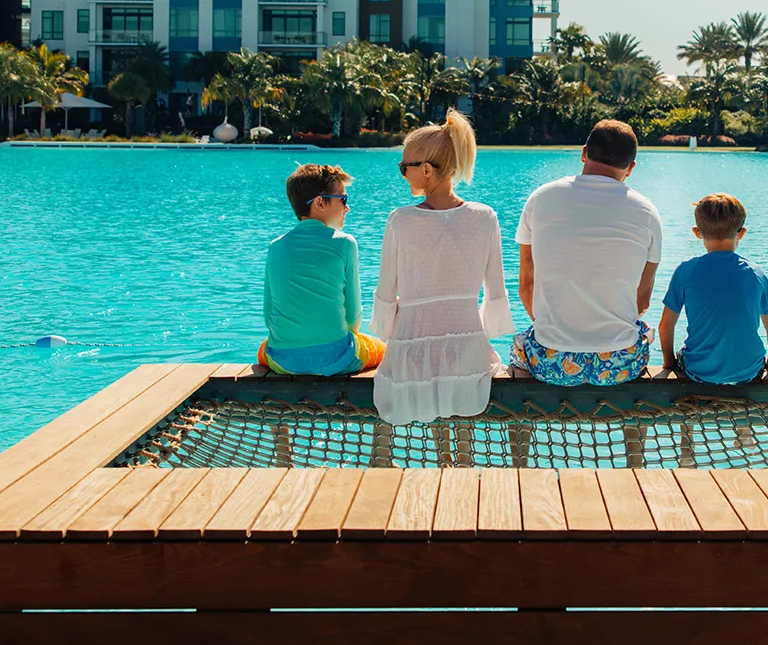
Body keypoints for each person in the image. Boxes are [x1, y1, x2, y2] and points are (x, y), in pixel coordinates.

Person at [370, 109, 512, 424]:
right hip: (467, 345)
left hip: (413, 347)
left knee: (436, 428)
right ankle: (460, 469)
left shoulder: (401, 220)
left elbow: (385, 291)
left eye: (403, 167)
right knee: (462, 425)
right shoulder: (484, 217)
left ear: (426, 169)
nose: (402, 174)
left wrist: (385, 332)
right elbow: (496, 288)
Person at [510, 119, 664, 385]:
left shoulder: (541, 198)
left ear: (584, 153)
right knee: (645, 333)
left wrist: (556, 328)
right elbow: (642, 301)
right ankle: (635, 426)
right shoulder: (647, 212)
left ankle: (522, 424)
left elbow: (526, 285)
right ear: (630, 168)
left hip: (551, 361)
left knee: (520, 348)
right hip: (618, 364)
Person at [258, 163, 385, 376]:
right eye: (343, 199)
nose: (347, 207)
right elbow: (353, 319)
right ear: (319, 203)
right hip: (335, 358)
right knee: (383, 350)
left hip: (284, 360)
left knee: (264, 349)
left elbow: (268, 315)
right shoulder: (345, 243)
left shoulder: (276, 247)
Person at [659, 194, 768, 384]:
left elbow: (666, 326)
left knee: (685, 351)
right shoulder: (755, 273)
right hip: (749, 372)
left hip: (697, 371)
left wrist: (669, 363)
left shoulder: (686, 271)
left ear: (696, 232)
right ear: (741, 233)